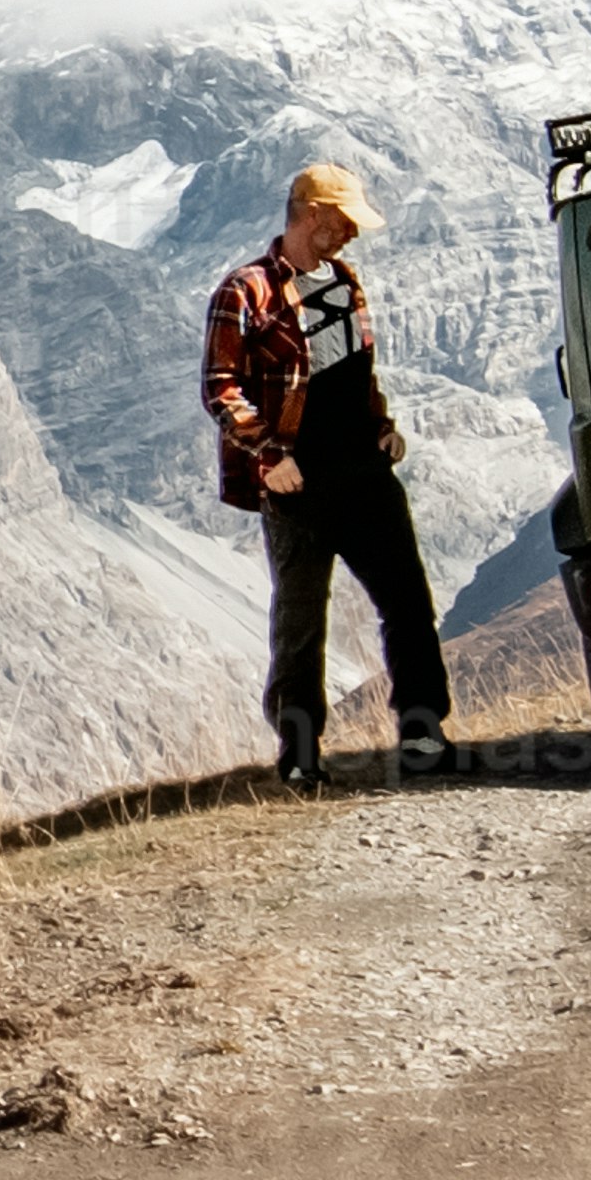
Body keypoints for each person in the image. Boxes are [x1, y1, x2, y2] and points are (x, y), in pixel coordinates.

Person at [203, 159, 457, 789]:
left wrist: (382, 427)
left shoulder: (346, 283)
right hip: (296, 484)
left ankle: (423, 731)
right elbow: (220, 386)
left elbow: (356, 377)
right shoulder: (247, 290)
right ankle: (298, 755)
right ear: (311, 214)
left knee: (407, 602)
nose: (351, 233)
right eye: (343, 221)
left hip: (364, 473)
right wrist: (268, 456)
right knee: (300, 619)